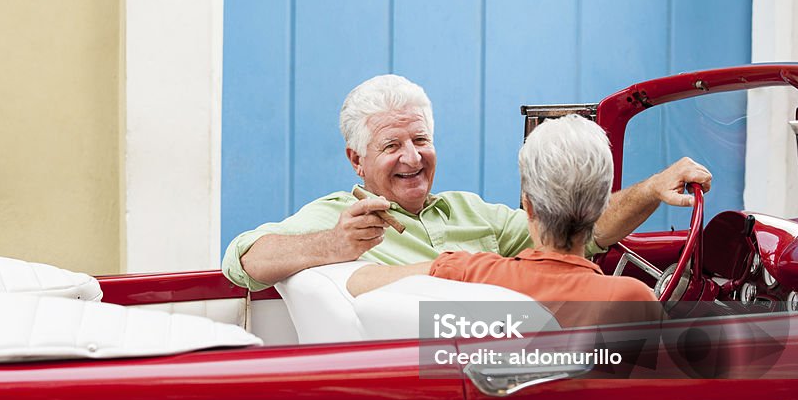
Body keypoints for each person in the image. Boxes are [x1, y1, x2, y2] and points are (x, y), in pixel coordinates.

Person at [222, 74, 711, 292]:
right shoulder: (341, 216)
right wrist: (334, 243)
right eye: (393, 146)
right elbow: (241, 261)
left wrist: (650, 190)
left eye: (421, 139)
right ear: (356, 160)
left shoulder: (472, 211)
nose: (412, 157)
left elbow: (579, 233)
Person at [346, 114, 663, 327]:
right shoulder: (631, 298)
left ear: (528, 206)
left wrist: (443, 266)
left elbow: (357, 282)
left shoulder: (471, 271)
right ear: (600, 207)